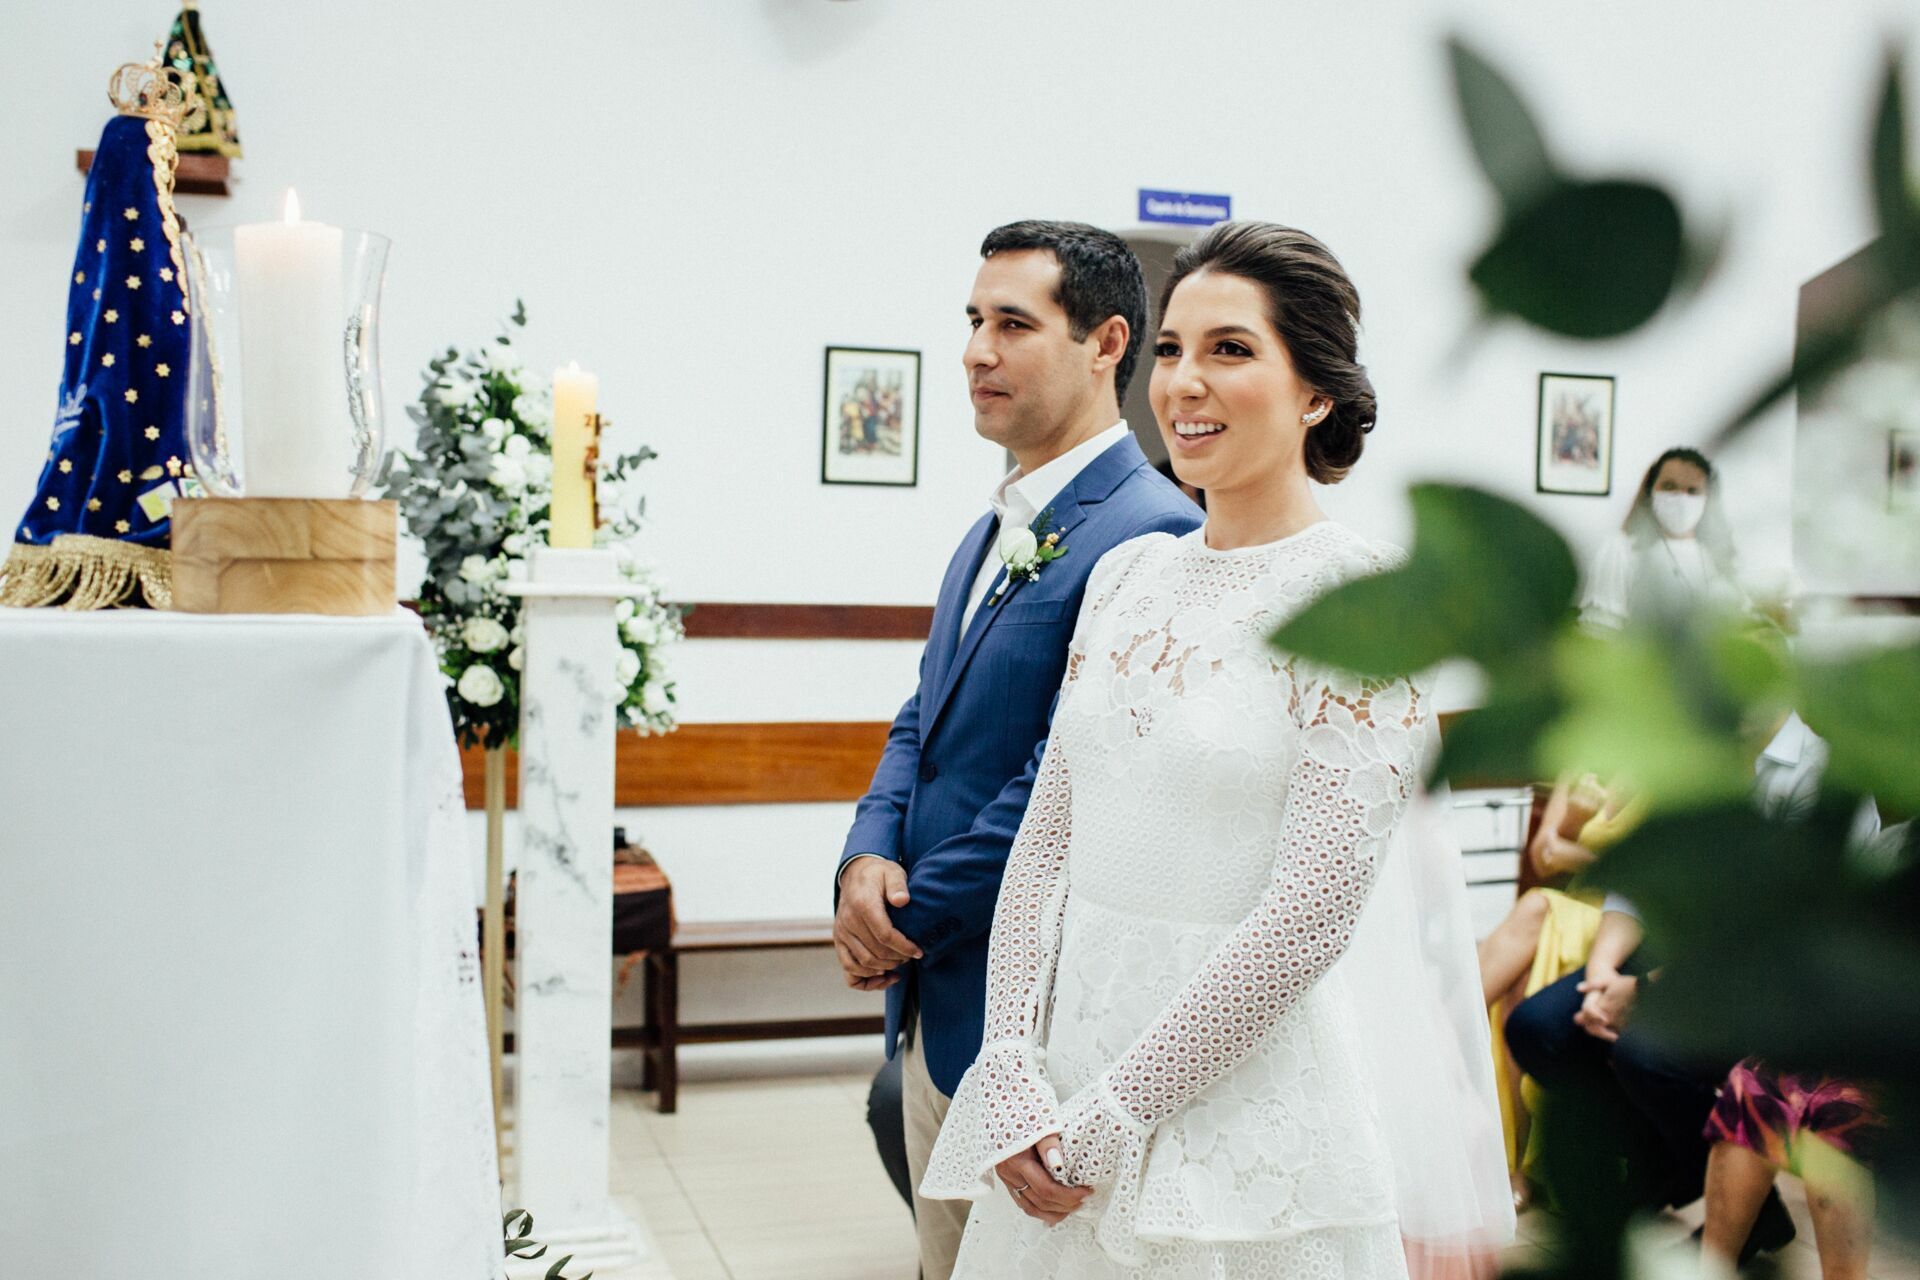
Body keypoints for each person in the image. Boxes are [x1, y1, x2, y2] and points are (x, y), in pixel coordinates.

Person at [921, 221, 1511, 1278]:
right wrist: (1010, 1058)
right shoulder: (1126, 577)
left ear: (1315, 390)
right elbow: (1047, 842)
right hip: (1061, 1072)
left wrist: (1118, 1109)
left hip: (1236, 1105)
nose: (1185, 383)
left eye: (1231, 350)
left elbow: (1308, 918)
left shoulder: (1369, 606)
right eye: (1174, 350)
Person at [832, 219, 1201, 1280]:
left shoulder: (1150, 534)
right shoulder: (995, 523)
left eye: (1012, 323)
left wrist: (901, 918)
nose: (977, 351)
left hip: (1028, 1017)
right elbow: (924, 720)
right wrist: (862, 860)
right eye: (973, 322)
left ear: (1105, 342)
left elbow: (1064, 784)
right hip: (937, 988)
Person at [1579, 446, 1746, 631]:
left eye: (1692, 490)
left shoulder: (1717, 557)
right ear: (1650, 491)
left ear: (1708, 499)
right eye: (1669, 486)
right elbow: (1598, 630)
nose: (1681, 498)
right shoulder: (1620, 548)